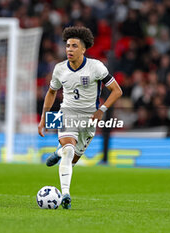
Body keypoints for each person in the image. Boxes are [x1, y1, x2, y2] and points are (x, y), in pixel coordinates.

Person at [37, 26, 122, 209]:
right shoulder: (59, 69)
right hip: (67, 113)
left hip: (89, 119)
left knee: (72, 159)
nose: (69, 49)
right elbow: (51, 92)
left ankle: (57, 152)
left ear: (83, 49)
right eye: (68, 45)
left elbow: (117, 91)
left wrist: (102, 110)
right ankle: (65, 194)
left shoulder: (96, 67)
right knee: (69, 150)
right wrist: (44, 117)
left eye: (74, 46)